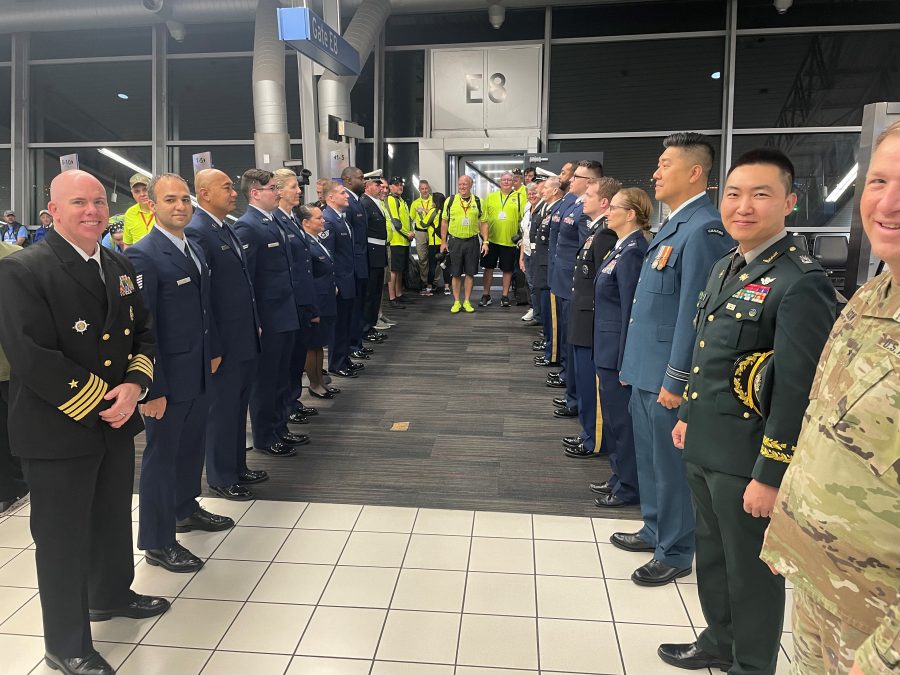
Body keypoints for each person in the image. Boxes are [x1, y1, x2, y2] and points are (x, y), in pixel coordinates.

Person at [661, 149, 837, 673]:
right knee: (712, 559)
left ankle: (752, 664)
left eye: (760, 194)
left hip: (748, 461)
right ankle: (720, 640)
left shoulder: (800, 282)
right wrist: (688, 415)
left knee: (750, 571)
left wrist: (771, 474)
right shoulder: (726, 266)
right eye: (734, 194)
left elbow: (797, 391)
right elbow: (710, 352)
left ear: (789, 202)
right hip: (704, 444)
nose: (743, 206)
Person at [0, 170, 167, 675]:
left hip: (114, 420)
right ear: (51, 208)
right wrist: (105, 400)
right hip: (58, 426)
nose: (93, 210)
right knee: (63, 537)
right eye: (79, 202)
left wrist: (136, 386)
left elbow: (143, 332)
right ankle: (66, 643)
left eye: (99, 201)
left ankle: (111, 594)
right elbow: (31, 356)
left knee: (112, 515)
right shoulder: (25, 270)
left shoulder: (116, 261)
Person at [761, 119, 900, 675]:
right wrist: (794, 533)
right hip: (825, 585)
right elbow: (826, 423)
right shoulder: (875, 293)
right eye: (879, 181)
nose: (889, 203)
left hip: (880, 627)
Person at [614, 132, 734, 587]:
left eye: (665, 164)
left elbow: (692, 315)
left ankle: (677, 549)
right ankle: (654, 528)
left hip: (668, 373)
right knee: (650, 458)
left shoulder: (704, 230)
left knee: (670, 465)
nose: (656, 173)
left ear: (695, 172)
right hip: (645, 366)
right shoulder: (671, 226)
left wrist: (677, 378)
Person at [126, 174, 234, 574]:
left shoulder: (194, 248)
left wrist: (216, 350)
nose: (181, 206)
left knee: (192, 446)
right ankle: (157, 540)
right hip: (166, 379)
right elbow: (143, 328)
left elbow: (205, 309)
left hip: (200, 369)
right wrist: (150, 389)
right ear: (151, 206)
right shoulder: (144, 254)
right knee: (162, 456)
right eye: (170, 200)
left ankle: (185, 509)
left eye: (186, 199)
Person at [186, 168, 267, 501]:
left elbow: (244, 285)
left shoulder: (225, 227)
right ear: (204, 193)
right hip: (223, 343)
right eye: (227, 187)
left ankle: (237, 465)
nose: (235, 192)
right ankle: (220, 476)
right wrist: (214, 345)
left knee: (238, 405)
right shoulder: (198, 232)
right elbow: (202, 297)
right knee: (222, 410)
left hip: (243, 336)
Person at [234, 168, 305, 457]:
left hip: (285, 312)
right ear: (255, 193)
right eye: (272, 188)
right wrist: (257, 320)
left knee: (281, 377)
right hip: (269, 318)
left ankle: (279, 428)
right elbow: (248, 280)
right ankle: (265, 436)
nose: (277, 193)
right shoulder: (247, 226)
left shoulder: (273, 221)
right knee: (266, 382)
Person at [589, 187, 651, 508]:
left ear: (631, 214)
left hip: (617, 353)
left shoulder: (635, 251)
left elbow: (630, 311)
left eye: (614, 207)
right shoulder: (620, 246)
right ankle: (619, 475)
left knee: (623, 424)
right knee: (614, 420)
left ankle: (630, 486)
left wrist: (628, 359)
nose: (607, 211)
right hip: (607, 348)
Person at [561, 178, 620, 449]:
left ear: (604, 202)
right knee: (584, 382)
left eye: (590, 195)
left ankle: (594, 439)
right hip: (582, 317)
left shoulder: (605, 235)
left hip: (591, 320)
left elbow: (604, 285)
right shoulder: (596, 232)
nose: (583, 199)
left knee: (591, 386)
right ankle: (587, 433)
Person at [549, 160, 604, 410]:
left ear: (590, 182)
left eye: (577, 177)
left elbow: (587, 255)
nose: (571, 181)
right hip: (564, 282)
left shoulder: (585, 212)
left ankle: (575, 399)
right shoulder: (576, 205)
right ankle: (572, 393)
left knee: (576, 349)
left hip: (575, 288)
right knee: (570, 344)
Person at [272, 168, 319, 428]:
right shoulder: (275, 220)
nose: (299, 190)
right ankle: (286, 407)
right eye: (293, 186)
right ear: (278, 191)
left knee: (296, 357)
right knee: (288, 361)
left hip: (300, 299)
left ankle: (292, 401)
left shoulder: (291, 218)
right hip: (289, 301)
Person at [322, 180, 361, 379]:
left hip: (348, 279)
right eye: (341, 193)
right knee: (338, 326)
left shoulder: (340, 218)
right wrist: (334, 283)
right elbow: (327, 255)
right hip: (340, 282)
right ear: (330, 198)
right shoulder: (328, 220)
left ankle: (344, 359)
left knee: (346, 323)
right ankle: (336, 363)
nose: (346, 196)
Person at [299, 204, 339, 401]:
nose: (323, 221)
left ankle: (320, 381)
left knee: (319, 344)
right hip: (316, 300)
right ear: (306, 223)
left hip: (325, 297)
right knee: (313, 345)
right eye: (318, 219)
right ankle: (314, 384)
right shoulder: (305, 242)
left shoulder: (316, 241)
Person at [0, 240, 27, 515]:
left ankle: (21, 484)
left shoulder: (17, 258)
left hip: (15, 364)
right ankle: (7, 489)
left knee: (18, 429)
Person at [440, 175, 488, 313]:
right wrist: (443, 241)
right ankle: (456, 302)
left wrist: (485, 241)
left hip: (472, 241)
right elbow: (444, 222)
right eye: (460, 184)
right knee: (455, 273)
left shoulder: (478, 201)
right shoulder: (450, 201)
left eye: (465, 184)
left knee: (470, 273)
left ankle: (466, 301)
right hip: (455, 241)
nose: (462, 186)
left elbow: (484, 223)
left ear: (471, 185)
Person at [533, 178, 566, 369]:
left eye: (544, 188)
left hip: (549, 269)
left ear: (554, 191)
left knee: (551, 314)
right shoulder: (548, 209)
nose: (541, 192)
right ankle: (548, 347)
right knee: (545, 312)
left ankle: (552, 354)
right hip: (542, 266)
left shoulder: (558, 209)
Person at [480, 172, 525, 308]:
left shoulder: (520, 197)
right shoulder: (491, 197)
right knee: (488, 268)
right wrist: (485, 240)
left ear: (513, 182)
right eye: (504, 180)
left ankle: (505, 296)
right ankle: (486, 295)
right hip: (491, 240)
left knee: (507, 270)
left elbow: (524, 219)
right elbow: (484, 220)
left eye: (509, 180)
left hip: (510, 241)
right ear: (500, 182)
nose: (506, 182)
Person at [361, 176, 389, 341]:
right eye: (377, 185)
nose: (381, 188)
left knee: (376, 293)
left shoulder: (375, 203)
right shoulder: (365, 203)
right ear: (368, 186)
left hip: (378, 252)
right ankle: (366, 328)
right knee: (370, 294)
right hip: (372, 254)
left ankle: (370, 326)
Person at [386, 176, 414, 306]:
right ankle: (392, 298)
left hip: (404, 241)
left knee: (400, 269)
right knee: (394, 270)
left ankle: (399, 293)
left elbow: (407, 220)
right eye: (396, 184)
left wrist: (411, 232)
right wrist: (408, 233)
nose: (400, 186)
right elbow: (396, 222)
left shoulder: (401, 200)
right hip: (396, 241)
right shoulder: (391, 199)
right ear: (390, 187)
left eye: (401, 184)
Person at [519, 181, 542, 324]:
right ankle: (535, 310)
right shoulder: (527, 208)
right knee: (530, 284)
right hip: (527, 251)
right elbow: (525, 234)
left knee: (536, 285)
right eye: (529, 193)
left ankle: (539, 315)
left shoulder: (543, 210)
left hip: (537, 254)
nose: (531, 196)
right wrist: (521, 257)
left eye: (534, 193)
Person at [411, 179, 436, 295]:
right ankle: (424, 282)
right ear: (419, 189)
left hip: (432, 232)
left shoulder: (434, 201)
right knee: (422, 259)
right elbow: (411, 218)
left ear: (429, 188)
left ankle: (434, 282)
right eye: (422, 188)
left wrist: (425, 210)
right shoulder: (415, 203)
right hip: (420, 232)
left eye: (426, 188)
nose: (425, 190)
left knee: (435, 258)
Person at [122, 173, 155, 247]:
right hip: (138, 257)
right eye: (137, 191)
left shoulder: (162, 209)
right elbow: (127, 244)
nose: (142, 194)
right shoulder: (130, 213)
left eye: (145, 189)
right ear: (132, 193)